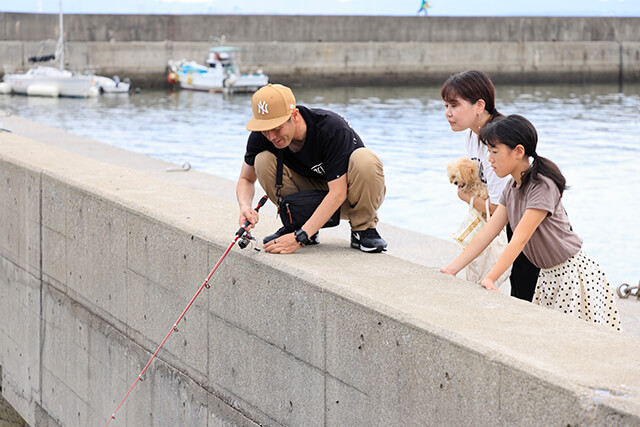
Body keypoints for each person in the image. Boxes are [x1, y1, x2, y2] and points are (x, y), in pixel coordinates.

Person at [441, 115, 620, 330]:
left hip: (572, 275)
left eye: (494, 152)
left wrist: (490, 278)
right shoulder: (511, 187)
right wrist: (452, 269)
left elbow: (519, 239)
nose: (489, 159)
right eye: (488, 152)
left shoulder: (541, 185)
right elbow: (488, 232)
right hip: (547, 276)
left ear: (518, 151)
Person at [236, 83, 387, 254]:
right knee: (262, 160)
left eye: (277, 128)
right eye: (265, 131)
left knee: (365, 159)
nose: (271, 137)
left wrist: (300, 238)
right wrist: (244, 206)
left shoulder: (331, 128)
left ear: (294, 115)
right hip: (312, 198)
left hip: (350, 196)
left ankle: (363, 229)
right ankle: (299, 223)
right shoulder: (262, 136)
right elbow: (246, 179)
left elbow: (338, 193)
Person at [441, 70, 540, 301]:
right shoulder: (472, 135)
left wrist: (465, 198)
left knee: (524, 297)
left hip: (528, 231)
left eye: (454, 105)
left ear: (479, 106)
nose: (448, 113)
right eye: (445, 106)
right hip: (511, 225)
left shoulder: (496, 143)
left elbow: (499, 208)